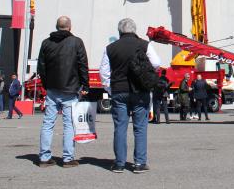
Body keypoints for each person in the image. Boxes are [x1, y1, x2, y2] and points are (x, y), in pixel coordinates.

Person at [100, 18, 161, 173]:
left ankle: (119, 163)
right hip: (140, 91)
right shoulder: (145, 45)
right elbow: (156, 63)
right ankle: (140, 163)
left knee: (120, 127)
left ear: (119, 31)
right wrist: (142, 71)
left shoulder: (110, 48)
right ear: (135, 30)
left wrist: (110, 89)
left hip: (119, 91)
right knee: (140, 127)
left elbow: (104, 73)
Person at [37, 16, 89, 168]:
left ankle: (44, 157)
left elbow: (41, 66)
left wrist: (46, 85)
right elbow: (82, 64)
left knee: (48, 123)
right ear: (70, 27)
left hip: (52, 88)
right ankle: (67, 158)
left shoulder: (46, 43)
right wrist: (85, 85)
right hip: (70, 88)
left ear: (56, 26)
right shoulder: (76, 42)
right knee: (69, 125)